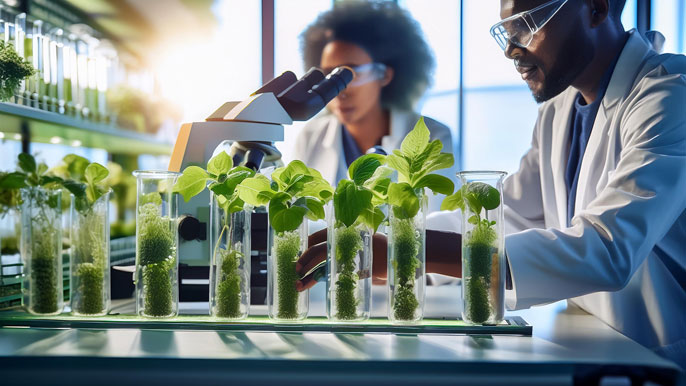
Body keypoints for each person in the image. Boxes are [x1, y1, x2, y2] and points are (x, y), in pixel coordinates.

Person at [297, 0, 686, 367]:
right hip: (591, 344)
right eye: (506, 31)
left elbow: (607, 249)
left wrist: (408, 251)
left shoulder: (669, 97)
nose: (511, 50)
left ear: (596, 8)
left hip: (656, 351)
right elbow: (510, 213)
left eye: (528, 25)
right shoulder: (558, 109)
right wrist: (376, 240)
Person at [292, 0, 458, 212]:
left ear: (385, 75)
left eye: (350, 74)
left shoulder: (433, 136)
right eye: (329, 77)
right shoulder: (310, 137)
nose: (339, 91)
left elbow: (438, 226)